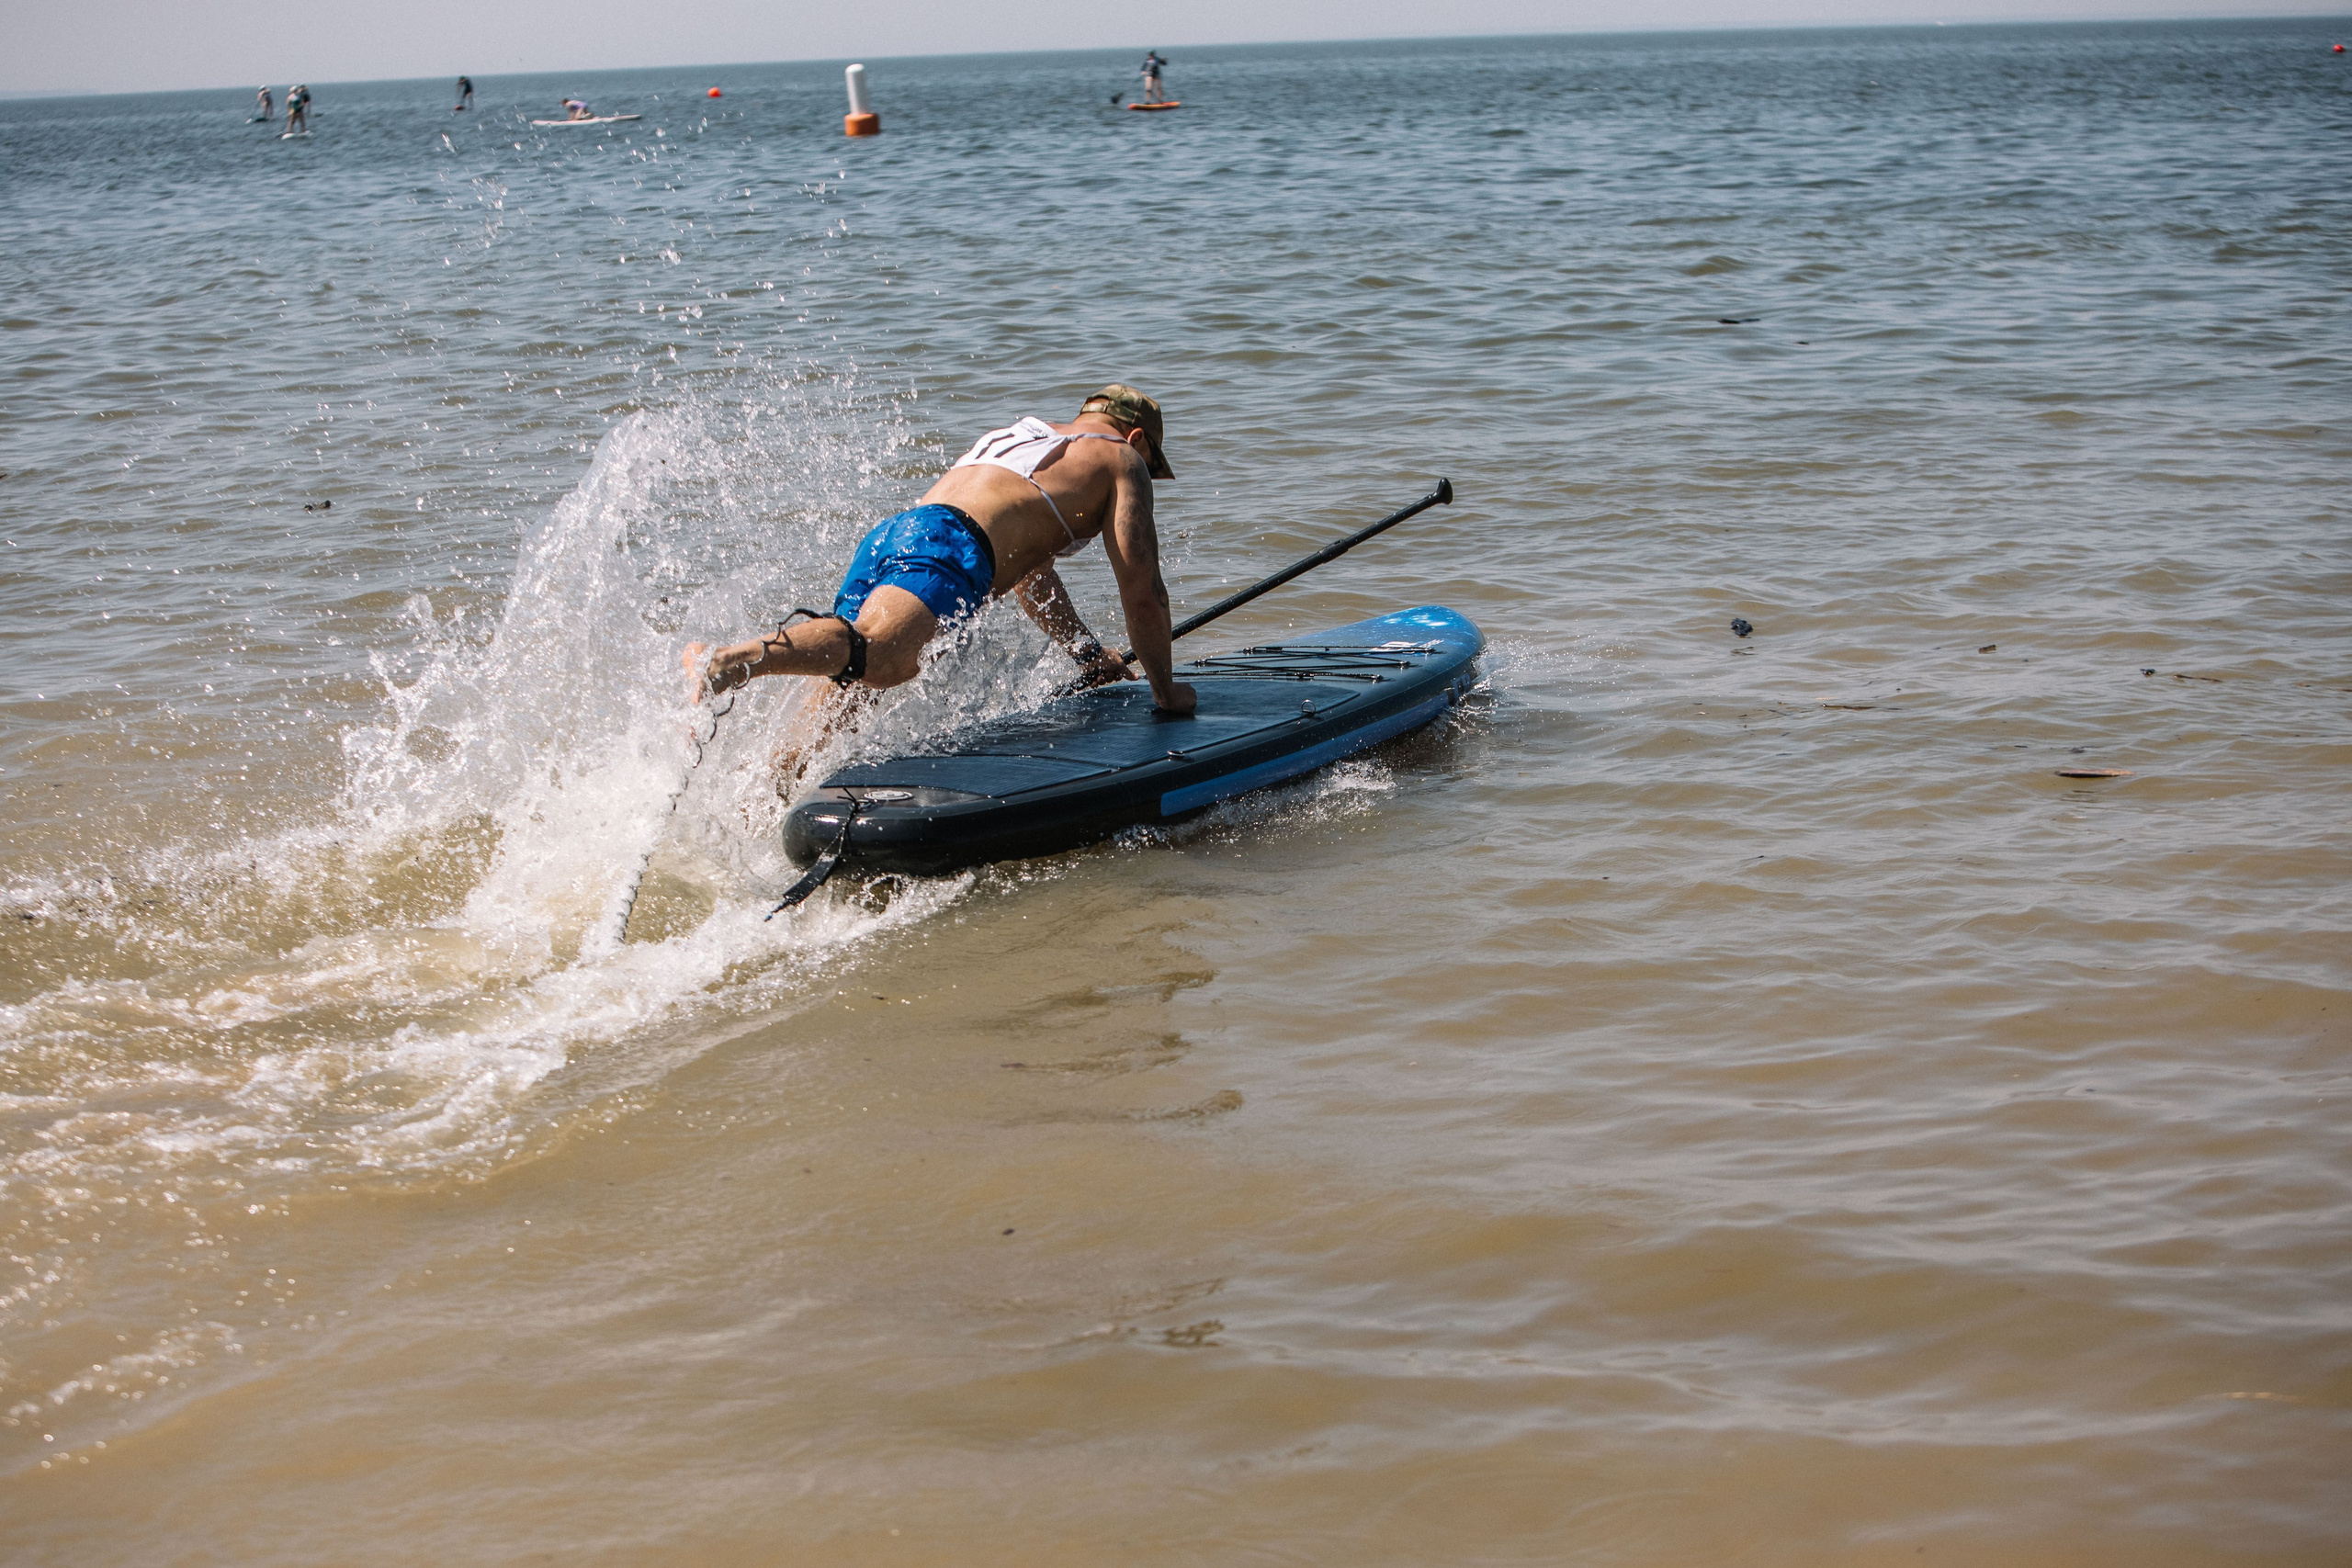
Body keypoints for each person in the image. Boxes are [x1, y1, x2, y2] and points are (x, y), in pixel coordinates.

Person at [688, 384, 1196, 752]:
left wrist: (1086, 653)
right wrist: (1165, 692)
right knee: (884, 659)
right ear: (1136, 439)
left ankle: (769, 813)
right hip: (952, 548)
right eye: (1152, 465)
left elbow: (1030, 576)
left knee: (846, 688)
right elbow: (1143, 590)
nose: (1148, 475)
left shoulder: (1022, 438)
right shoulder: (1119, 458)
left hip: (899, 534)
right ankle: (729, 659)